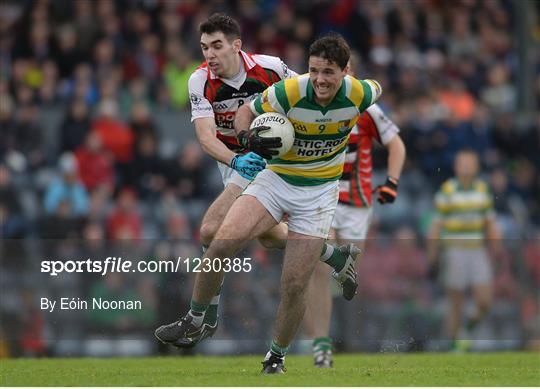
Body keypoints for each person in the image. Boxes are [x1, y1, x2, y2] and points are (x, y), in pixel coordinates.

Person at [159, 32, 382, 373]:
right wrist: (248, 138)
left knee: (293, 285)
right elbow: (244, 114)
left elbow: (377, 90)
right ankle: (195, 317)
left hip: (318, 194)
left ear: (345, 71)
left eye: (329, 73)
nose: (320, 80)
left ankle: (275, 358)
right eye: (315, 71)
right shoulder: (290, 90)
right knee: (219, 242)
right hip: (275, 179)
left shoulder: (360, 92)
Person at [303, 55, 406, 367]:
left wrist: (391, 181)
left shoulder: (367, 109)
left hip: (358, 204)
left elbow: (396, 144)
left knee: (346, 270)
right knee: (319, 264)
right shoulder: (308, 104)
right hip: (324, 199)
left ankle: (343, 322)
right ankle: (320, 345)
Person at [427, 149, 501, 352]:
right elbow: (436, 225)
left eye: (470, 163)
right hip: (454, 250)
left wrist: (496, 249)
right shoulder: (447, 190)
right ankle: (453, 347)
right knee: (456, 302)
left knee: (485, 300)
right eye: (463, 163)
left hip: (477, 250)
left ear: (476, 167)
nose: (466, 167)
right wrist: (432, 256)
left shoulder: (482, 189)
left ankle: (464, 332)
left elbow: (490, 222)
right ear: (456, 167)